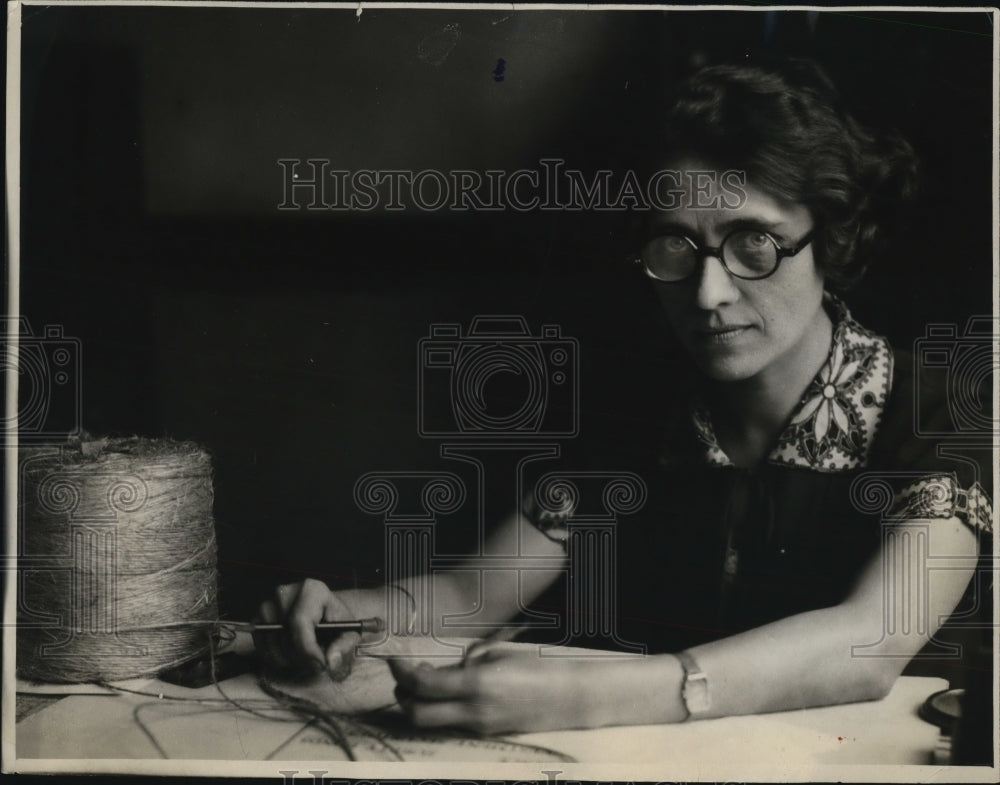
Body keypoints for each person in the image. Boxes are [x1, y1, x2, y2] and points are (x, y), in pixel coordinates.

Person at [256, 58, 993, 735]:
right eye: (675, 247)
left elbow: (868, 643)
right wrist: (347, 614)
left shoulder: (939, 412)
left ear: (829, 238)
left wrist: (581, 695)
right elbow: (472, 594)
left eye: (754, 244)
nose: (708, 293)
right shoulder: (640, 406)